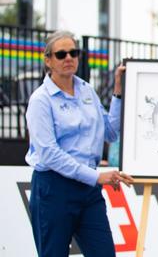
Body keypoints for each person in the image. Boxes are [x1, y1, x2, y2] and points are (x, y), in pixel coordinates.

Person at [25, 31, 134, 257]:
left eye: (73, 53)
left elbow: (111, 132)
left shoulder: (86, 89)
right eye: (61, 54)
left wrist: (118, 91)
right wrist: (96, 177)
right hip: (53, 189)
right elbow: (49, 154)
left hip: (88, 191)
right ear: (48, 60)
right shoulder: (40, 100)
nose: (69, 58)